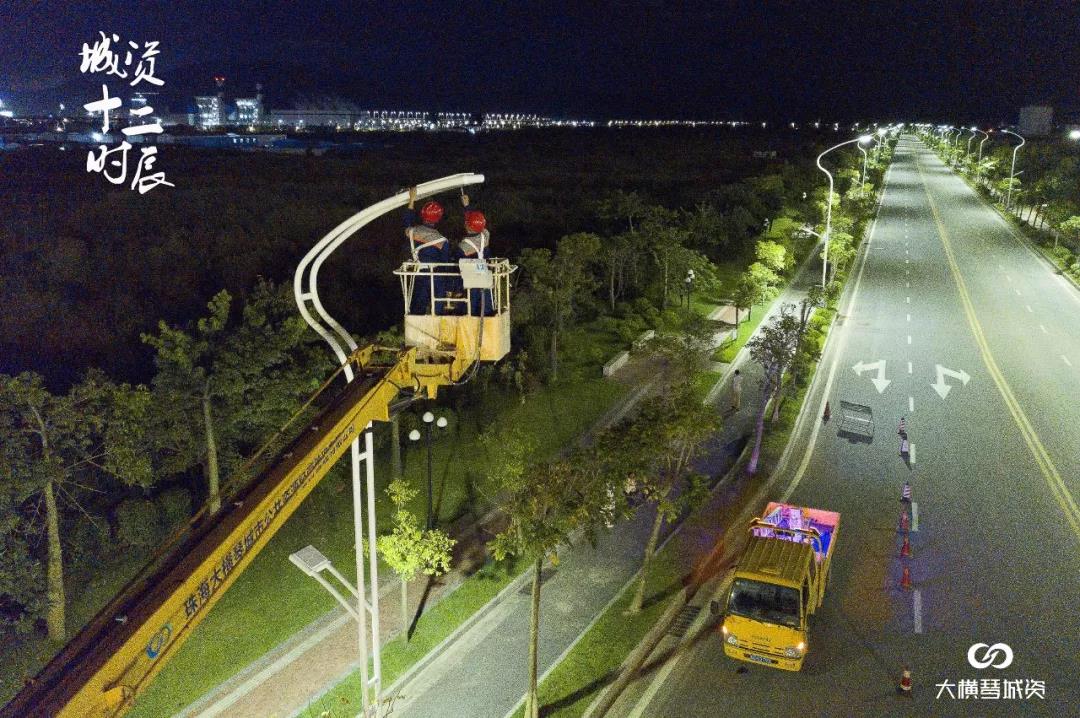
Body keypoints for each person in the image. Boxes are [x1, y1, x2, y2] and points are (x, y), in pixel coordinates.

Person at [404, 187, 451, 315]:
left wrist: (411, 200)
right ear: (438, 218)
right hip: (437, 277)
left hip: (420, 275)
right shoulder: (442, 241)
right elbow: (445, 264)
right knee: (438, 309)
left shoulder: (413, 232)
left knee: (417, 309)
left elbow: (407, 222)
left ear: (422, 215)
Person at [457, 192, 494, 316]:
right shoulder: (485, 236)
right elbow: (476, 224)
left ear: (467, 226)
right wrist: (467, 207)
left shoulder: (463, 246)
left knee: (470, 309)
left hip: (471, 280)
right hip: (484, 276)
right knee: (486, 307)